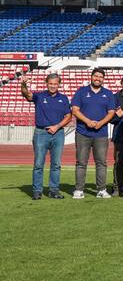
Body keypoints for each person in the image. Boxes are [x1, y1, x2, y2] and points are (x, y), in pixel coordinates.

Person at [21, 72, 71, 200]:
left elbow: (68, 116)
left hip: (58, 133)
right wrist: (23, 84)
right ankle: (37, 191)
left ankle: (53, 190)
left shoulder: (64, 98)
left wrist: (57, 127)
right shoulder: (39, 96)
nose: (53, 86)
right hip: (41, 133)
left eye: (55, 84)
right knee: (38, 164)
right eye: (50, 83)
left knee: (56, 164)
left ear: (59, 84)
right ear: (46, 83)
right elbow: (26, 94)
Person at [71, 68, 116, 199]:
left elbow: (111, 112)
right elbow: (75, 110)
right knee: (81, 162)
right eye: (95, 76)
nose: (98, 78)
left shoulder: (108, 93)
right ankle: (79, 190)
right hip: (82, 133)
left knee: (101, 162)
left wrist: (100, 123)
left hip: (101, 134)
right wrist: (87, 121)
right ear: (91, 77)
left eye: (100, 77)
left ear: (103, 79)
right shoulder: (81, 91)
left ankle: (101, 190)